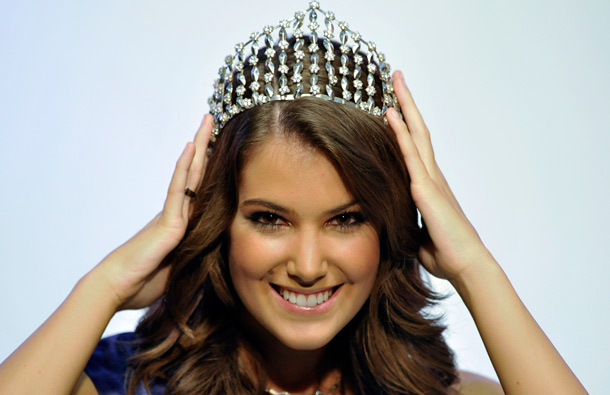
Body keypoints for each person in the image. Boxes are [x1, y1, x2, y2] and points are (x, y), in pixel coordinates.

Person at [0, 2, 587, 394]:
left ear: (388, 227)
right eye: (269, 219)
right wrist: (104, 286)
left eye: (347, 219)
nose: (307, 267)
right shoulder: (127, 382)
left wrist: (475, 266)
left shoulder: (443, 391)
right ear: (218, 222)